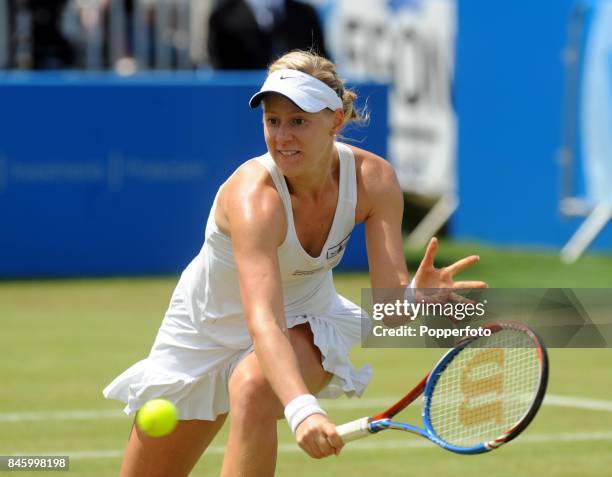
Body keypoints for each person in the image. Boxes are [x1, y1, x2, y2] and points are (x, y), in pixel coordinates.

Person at [103, 49, 487, 477]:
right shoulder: (254, 197)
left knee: (252, 389)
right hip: (205, 329)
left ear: (336, 121)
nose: (282, 136)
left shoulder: (373, 181)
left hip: (308, 315)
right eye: (273, 120)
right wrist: (304, 410)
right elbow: (262, 320)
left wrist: (413, 296)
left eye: (299, 121)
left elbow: (389, 314)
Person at [207, 0, 329, 70]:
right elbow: (219, 72)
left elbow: (322, 64)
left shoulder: (306, 15)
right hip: (240, 104)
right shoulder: (223, 17)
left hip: (300, 104)